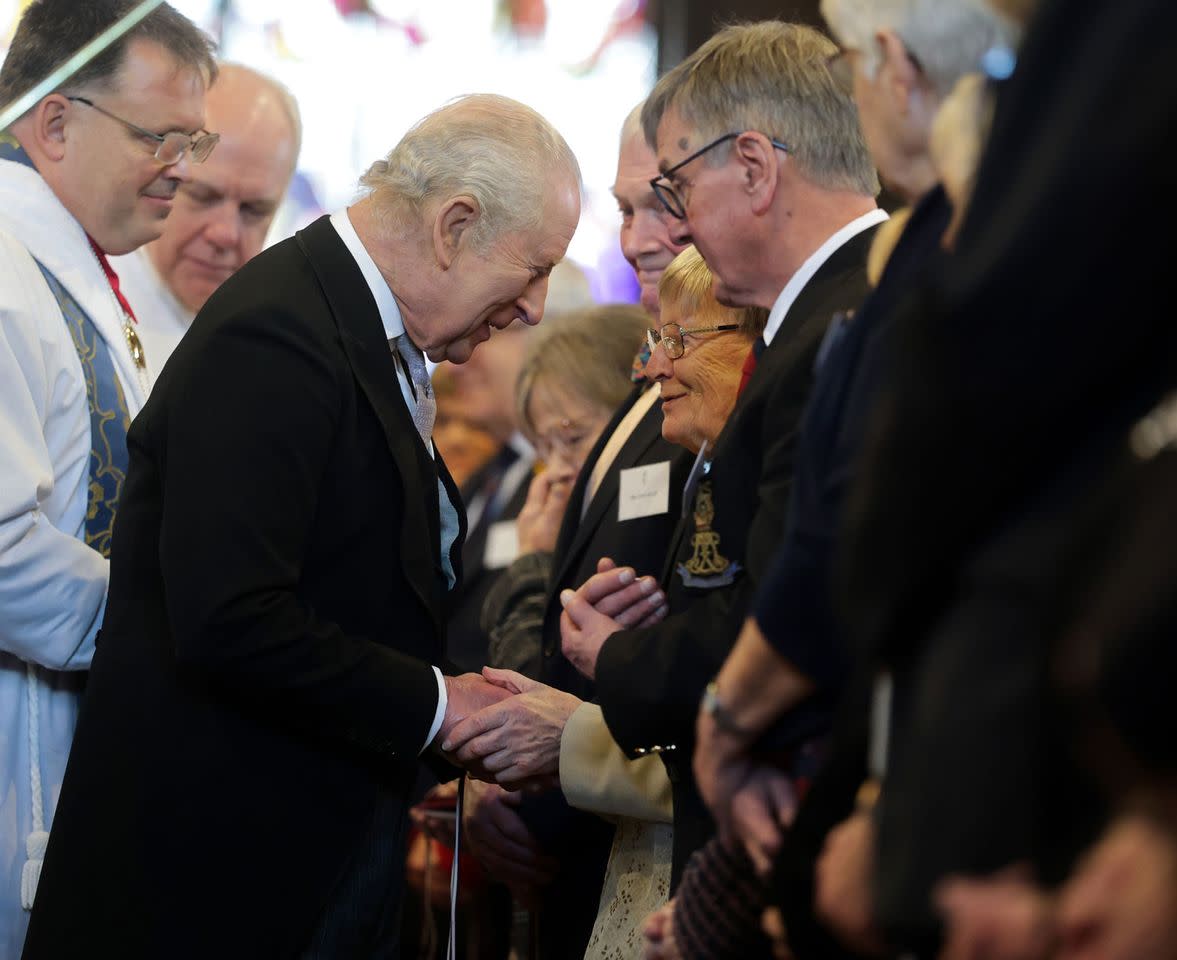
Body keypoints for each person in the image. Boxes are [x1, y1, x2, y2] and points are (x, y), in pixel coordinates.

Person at [20, 92, 581, 959]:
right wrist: (441, 705)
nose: (536, 307)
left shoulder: (344, 321)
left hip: (306, 859)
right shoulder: (278, 330)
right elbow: (231, 619)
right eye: (534, 267)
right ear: (454, 225)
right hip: (216, 891)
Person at [642, 3, 1020, 959]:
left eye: (675, 185)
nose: (672, 222)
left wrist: (720, 721)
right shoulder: (867, 291)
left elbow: (823, 575)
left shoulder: (881, 301)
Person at [558, 20, 884, 887]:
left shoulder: (843, 324)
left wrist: (616, 659)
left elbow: (792, 608)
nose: (671, 226)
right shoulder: (832, 312)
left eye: (674, 186)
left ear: (752, 165)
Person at [449, 246, 765, 957]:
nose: (655, 367)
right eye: (545, 446)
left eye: (679, 341)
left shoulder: (724, 486)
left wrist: (611, 657)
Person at [0, 3, 216, 954]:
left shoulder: (64, 268)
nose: (184, 166)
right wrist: (181, 630)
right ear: (54, 122)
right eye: (159, 137)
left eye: (192, 139)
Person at [459, 101, 694, 960]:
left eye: (658, 202)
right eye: (623, 209)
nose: (632, 240)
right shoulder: (647, 404)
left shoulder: (687, 411)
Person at [444, 259, 594, 675]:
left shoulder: (579, 479)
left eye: (491, 329)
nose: (460, 356)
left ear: (558, 341)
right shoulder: (489, 475)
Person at [112, 62, 301, 372]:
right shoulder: (83, 310)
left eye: (254, 211)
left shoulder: (280, 348)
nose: (225, 233)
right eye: (203, 197)